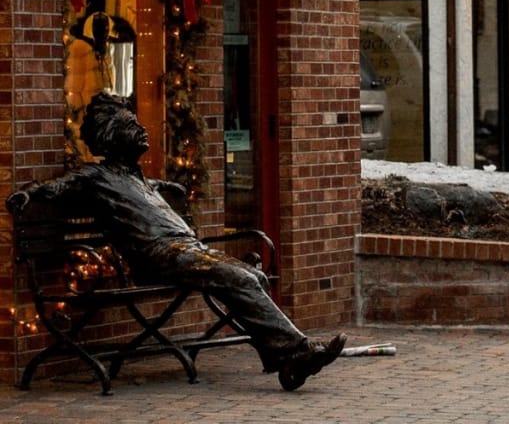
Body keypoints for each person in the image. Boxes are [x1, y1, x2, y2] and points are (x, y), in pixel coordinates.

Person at [5, 91, 346, 391]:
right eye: (131, 125)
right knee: (241, 277)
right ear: (111, 137)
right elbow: (58, 187)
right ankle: (300, 351)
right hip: (157, 256)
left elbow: (151, 194)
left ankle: (286, 362)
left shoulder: (139, 178)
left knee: (252, 276)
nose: (142, 130)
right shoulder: (97, 175)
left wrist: (166, 189)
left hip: (183, 249)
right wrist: (28, 194)